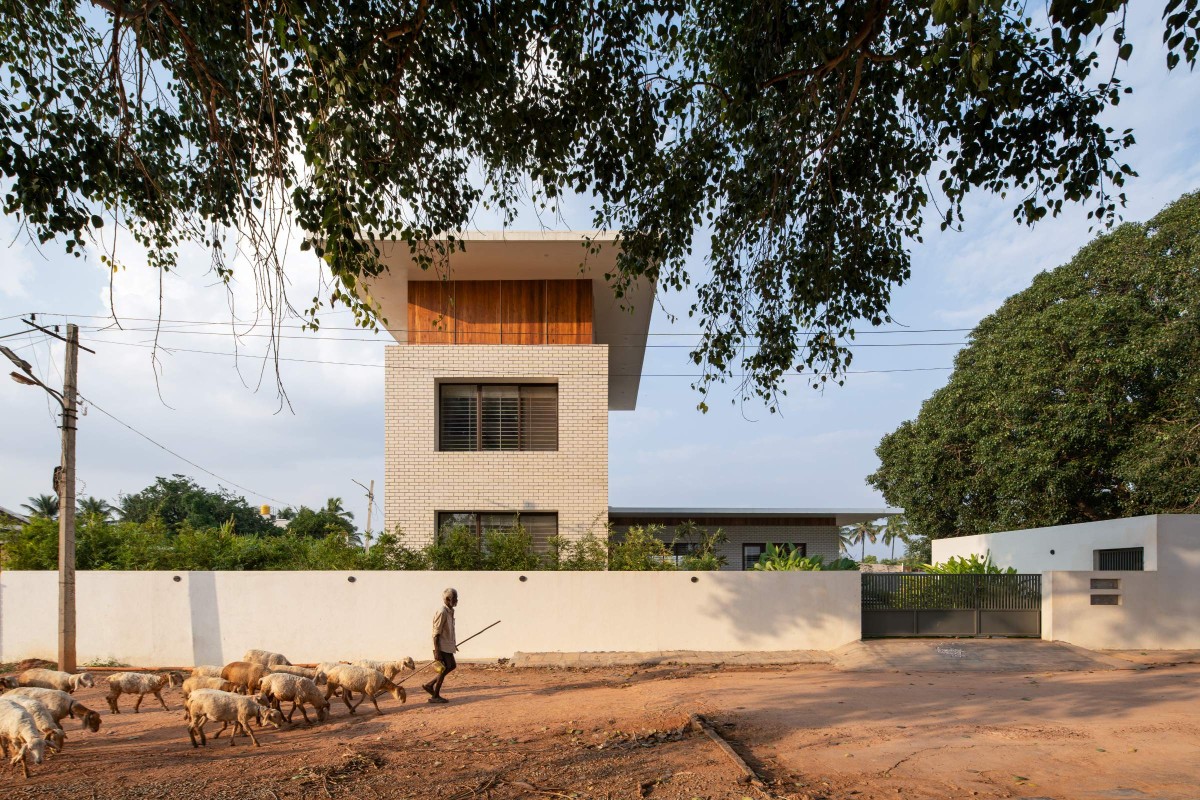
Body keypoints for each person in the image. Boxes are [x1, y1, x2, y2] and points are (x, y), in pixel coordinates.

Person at [424, 587, 458, 703]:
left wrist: (453, 644)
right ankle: (435, 696)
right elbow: (436, 633)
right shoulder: (442, 612)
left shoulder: (450, 611)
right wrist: (437, 651)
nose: (457, 600)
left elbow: (449, 630)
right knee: (444, 669)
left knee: (451, 666)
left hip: (447, 645)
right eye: (455, 598)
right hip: (441, 646)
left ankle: (430, 685)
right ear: (448, 599)